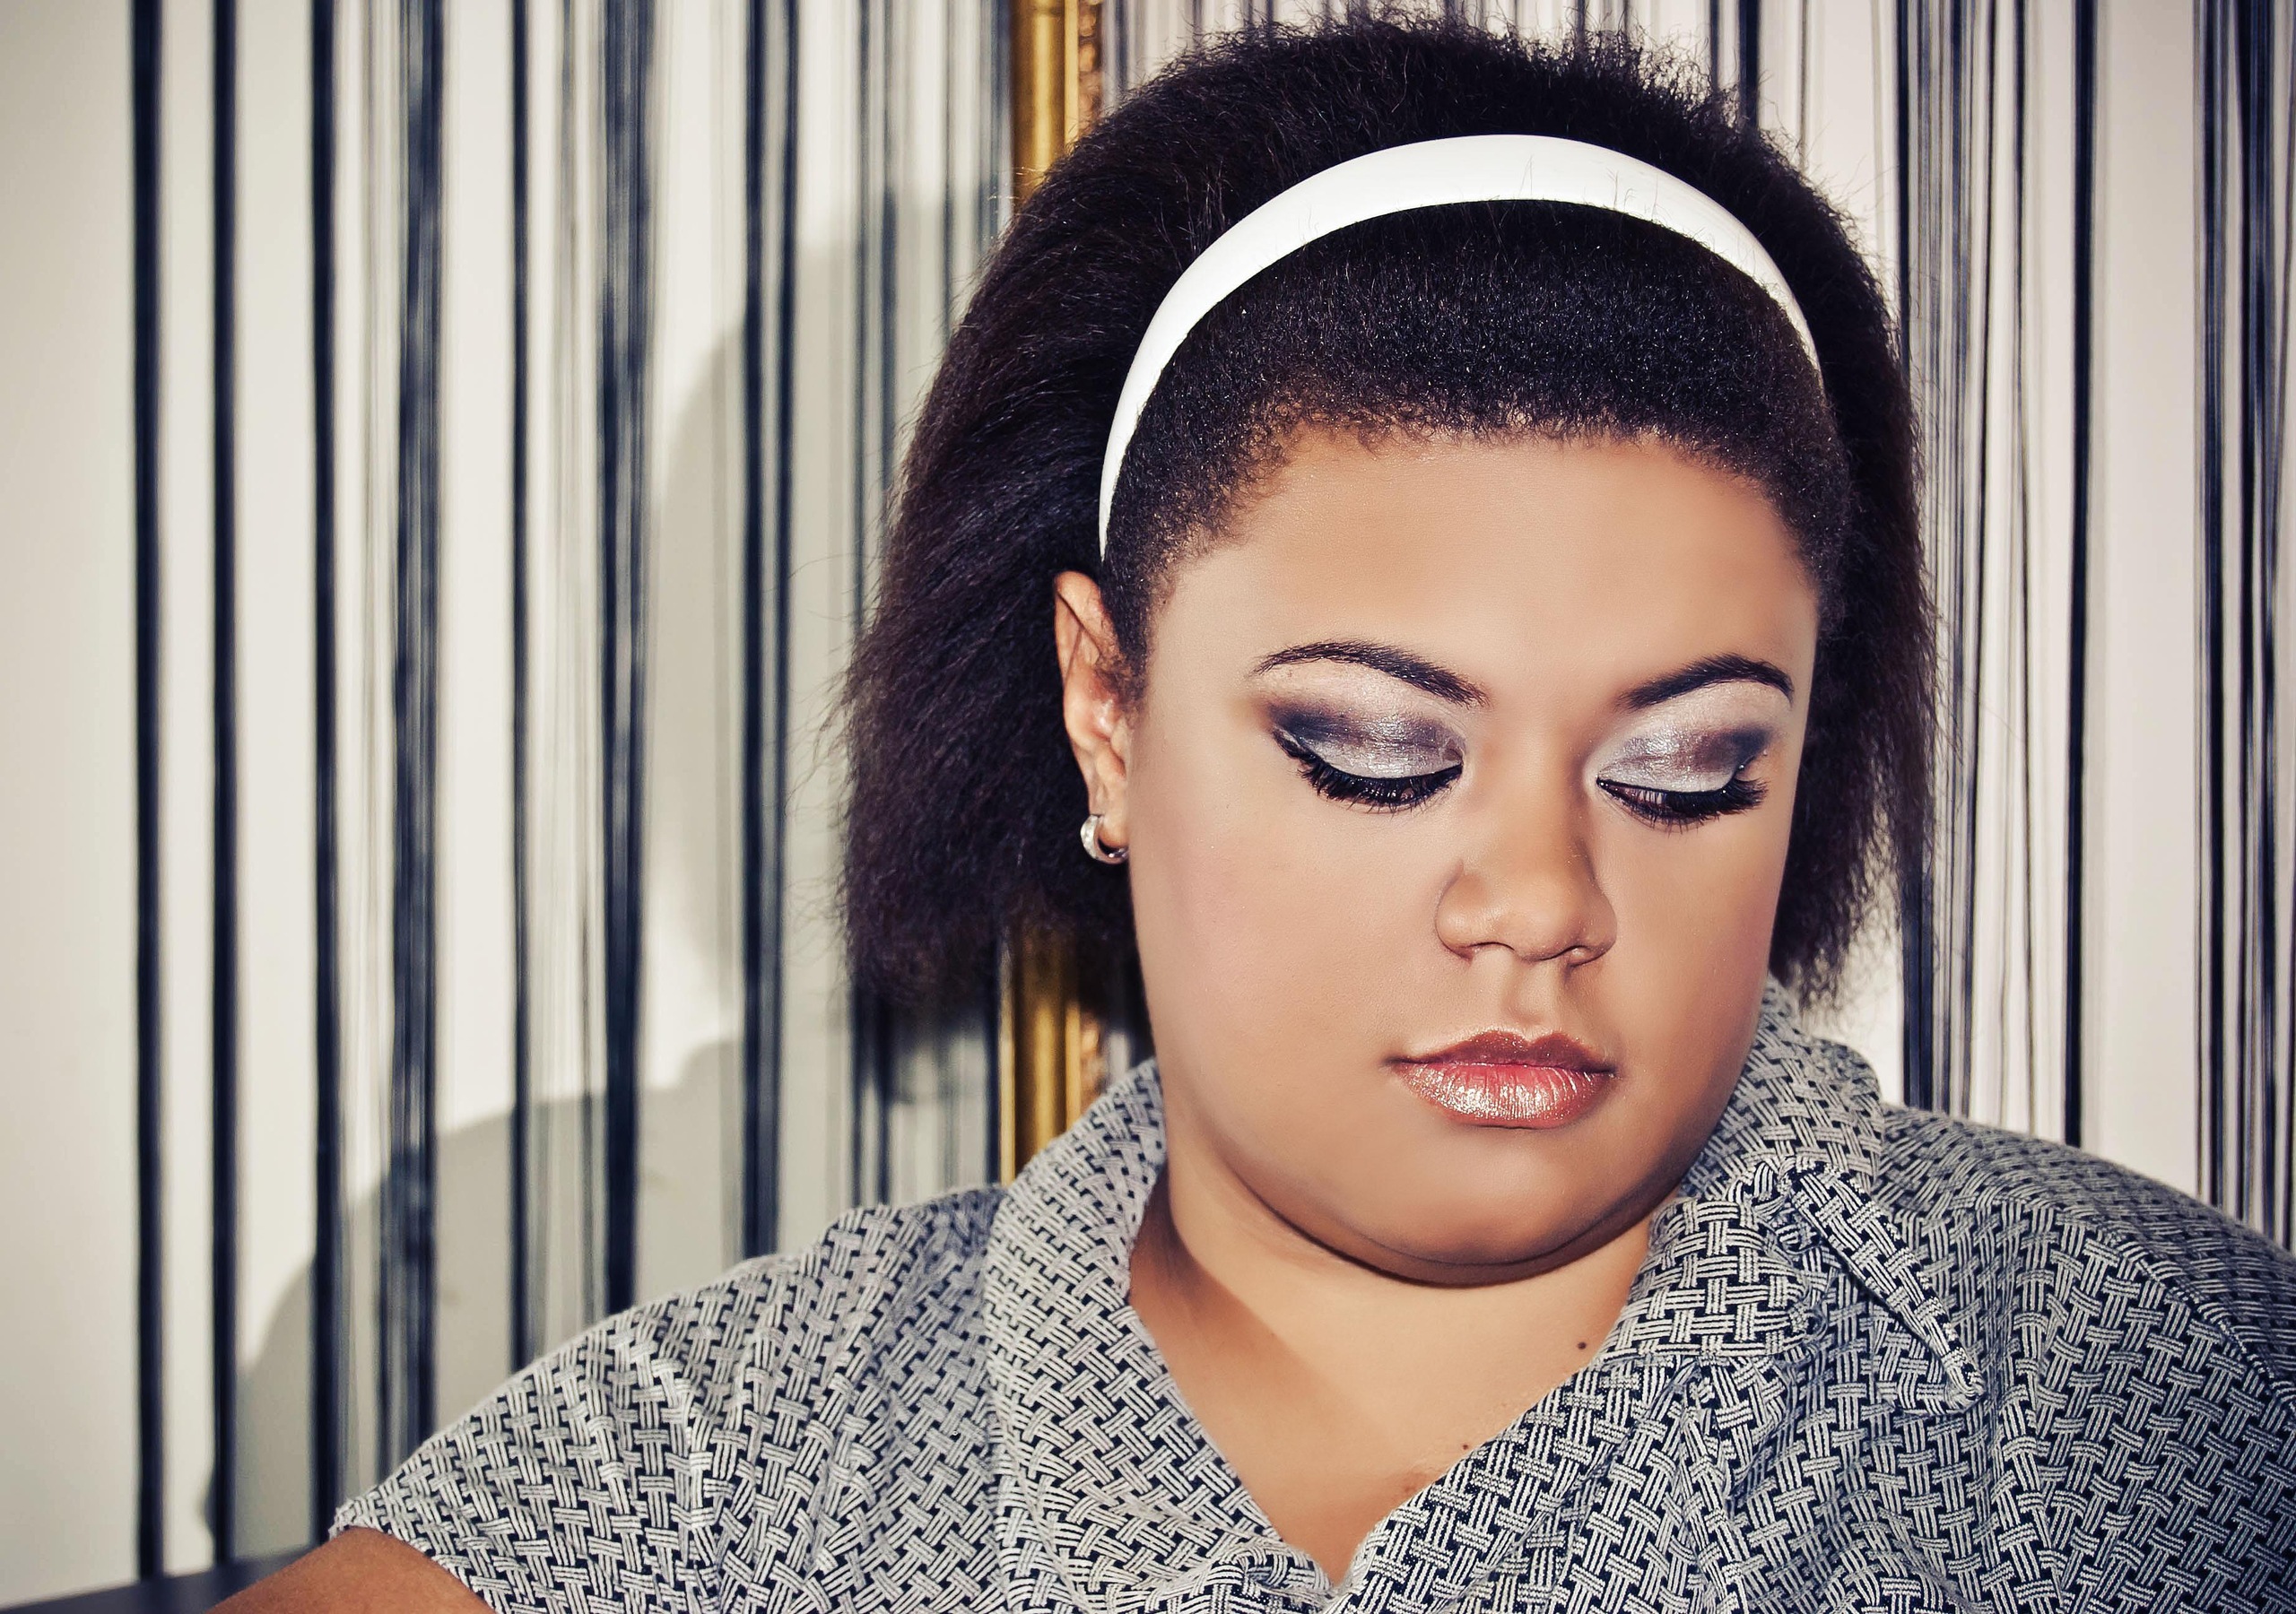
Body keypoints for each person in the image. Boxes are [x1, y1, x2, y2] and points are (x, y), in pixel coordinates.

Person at [234, 17, 2296, 1612]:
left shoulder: (2167, 1405)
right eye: (1374, 753)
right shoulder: (693, 1486)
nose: (1536, 900)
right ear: (1106, 711)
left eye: (1683, 772)